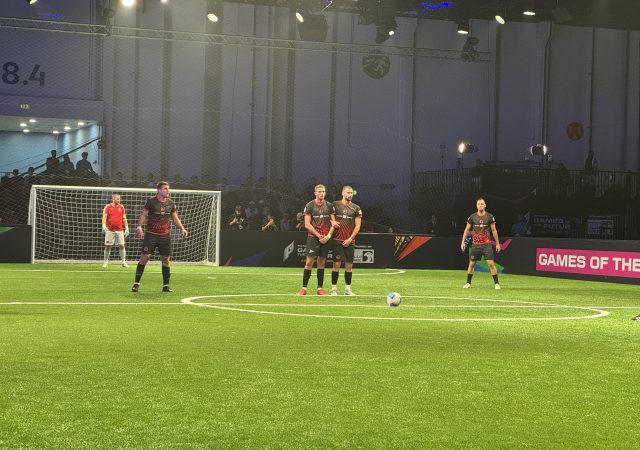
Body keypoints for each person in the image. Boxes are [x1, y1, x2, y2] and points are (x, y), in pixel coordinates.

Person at [131, 182, 188, 293]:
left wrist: (182, 228)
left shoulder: (171, 203)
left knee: (166, 260)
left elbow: (175, 218)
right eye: (165, 188)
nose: (168, 190)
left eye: (168, 188)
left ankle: (166, 286)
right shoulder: (151, 202)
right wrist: (139, 227)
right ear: (159, 190)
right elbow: (144, 214)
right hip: (151, 234)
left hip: (164, 236)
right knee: (145, 258)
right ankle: (136, 284)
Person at [298, 184, 336, 296]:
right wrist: (319, 236)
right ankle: (304, 288)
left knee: (321, 262)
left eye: (323, 191)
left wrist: (328, 236)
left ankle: (320, 289)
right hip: (313, 237)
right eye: (319, 191)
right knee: (309, 262)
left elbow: (334, 223)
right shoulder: (309, 205)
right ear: (315, 193)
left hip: (326, 238)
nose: (322, 193)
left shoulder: (329, 206)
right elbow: (307, 224)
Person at [460, 197, 502, 289]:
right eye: (478, 204)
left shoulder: (490, 217)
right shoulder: (472, 217)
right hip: (475, 245)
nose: (480, 205)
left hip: (486, 244)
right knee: (471, 264)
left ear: (485, 205)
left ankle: (496, 283)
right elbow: (467, 230)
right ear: (476, 205)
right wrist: (463, 242)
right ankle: (468, 283)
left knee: (491, 264)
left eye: (482, 204)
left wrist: (498, 243)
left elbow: (494, 230)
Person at [330, 185, 362, 296]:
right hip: (337, 239)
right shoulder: (335, 204)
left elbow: (358, 226)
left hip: (350, 241)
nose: (350, 194)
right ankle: (334, 289)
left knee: (349, 266)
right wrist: (332, 221)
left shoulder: (356, 208)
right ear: (343, 193)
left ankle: (347, 290)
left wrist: (350, 239)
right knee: (336, 265)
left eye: (351, 193)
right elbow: (329, 217)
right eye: (348, 192)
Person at [101, 193, 130, 268]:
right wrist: (103, 225)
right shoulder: (108, 207)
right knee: (108, 246)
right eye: (117, 199)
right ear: (113, 199)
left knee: (122, 245)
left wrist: (127, 227)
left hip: (119, 230)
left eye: (119, 199)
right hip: (110, 230)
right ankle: (105, 262)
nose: (119, 200)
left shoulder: (121, 207)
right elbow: (104, 216)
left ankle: (123, 262)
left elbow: (124, 218)